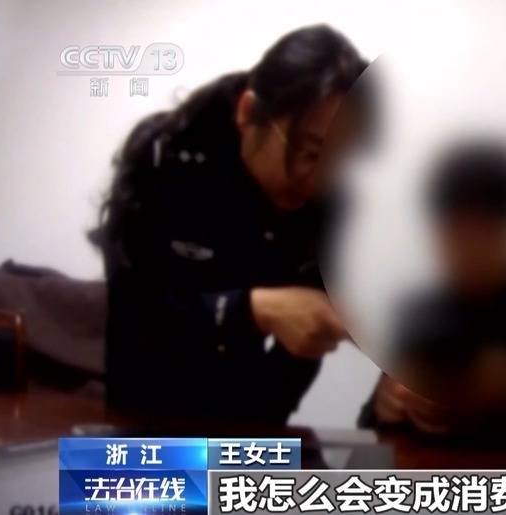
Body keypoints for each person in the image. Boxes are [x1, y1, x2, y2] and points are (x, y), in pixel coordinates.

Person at [91, 25, 369, 424]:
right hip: (143, 416)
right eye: (310, 153)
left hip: (249, 422)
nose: (318, 180)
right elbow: (137, 316)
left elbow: (310, 329)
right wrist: (251, 310)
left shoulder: (329, 192)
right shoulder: (165, 161)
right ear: (247, 113)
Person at [359, 140, 506, 435]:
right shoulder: (420, 309)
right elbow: (369, 420)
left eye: (487, 231)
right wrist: (385, 402)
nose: (471, 248)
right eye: (456, 230)